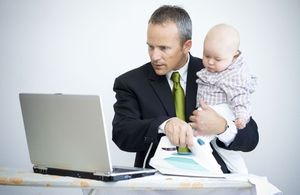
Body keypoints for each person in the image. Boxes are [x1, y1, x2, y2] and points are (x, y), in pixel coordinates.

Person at [112, 5, 259, 173]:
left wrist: (222, 127)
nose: (154, 56)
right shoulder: (130, 82)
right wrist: (163, 125)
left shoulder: (217, 72)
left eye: (164, 48)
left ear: (186, 45)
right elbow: (122, 133)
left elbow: (251, 138)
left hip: (214, 184)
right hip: (158, 184)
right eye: (150, 46)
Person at [196, 23, 257, 129]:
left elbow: (240, 98)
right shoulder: (207, 69)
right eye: (206, 55)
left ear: (234, 56)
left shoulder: (234, 76)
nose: (210, 62)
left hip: (222, 114)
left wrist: (241, 117)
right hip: (204, 115)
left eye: (217, 59)